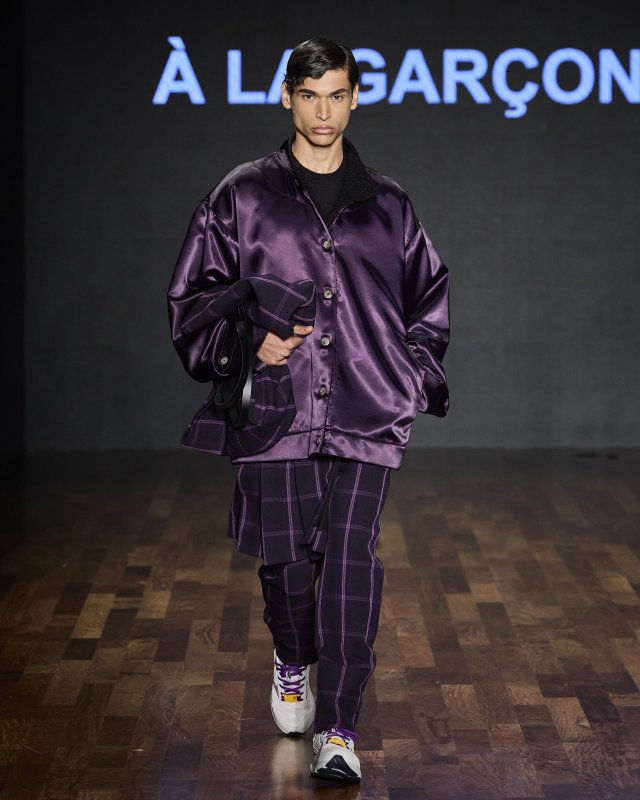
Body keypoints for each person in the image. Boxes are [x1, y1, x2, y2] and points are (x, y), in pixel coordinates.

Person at [168, 36, 450, 783]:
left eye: (337, 96)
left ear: (355, 99)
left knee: (353, 560)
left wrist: (412, 376)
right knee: (289, 569)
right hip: (275, 412)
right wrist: (244, 342)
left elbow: (428, 299)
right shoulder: (242, 195)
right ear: (287, 98)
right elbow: (192, 299)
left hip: (367, 407)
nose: (324, 112)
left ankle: (341, 729)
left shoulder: (389, 205)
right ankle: (293, 656)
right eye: (310, 95)